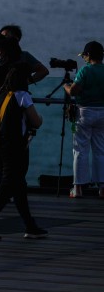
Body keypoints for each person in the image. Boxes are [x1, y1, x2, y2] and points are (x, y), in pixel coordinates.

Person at [0, 68, 47, 240]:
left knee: (18, 187)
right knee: (8, 186)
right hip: (16, 147)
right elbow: (36, 122)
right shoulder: (22, 96)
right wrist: (40, 118)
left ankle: (30, 226)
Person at [64, 41, 104, 198]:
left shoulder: (85, 71)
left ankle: (78, 189)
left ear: (88, 56)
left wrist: (66, 86)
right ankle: (102, 188)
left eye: (84, 56)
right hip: (103, 113)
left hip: (84, 113)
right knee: (100, 151)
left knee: (80, 151)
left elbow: (74, 91)